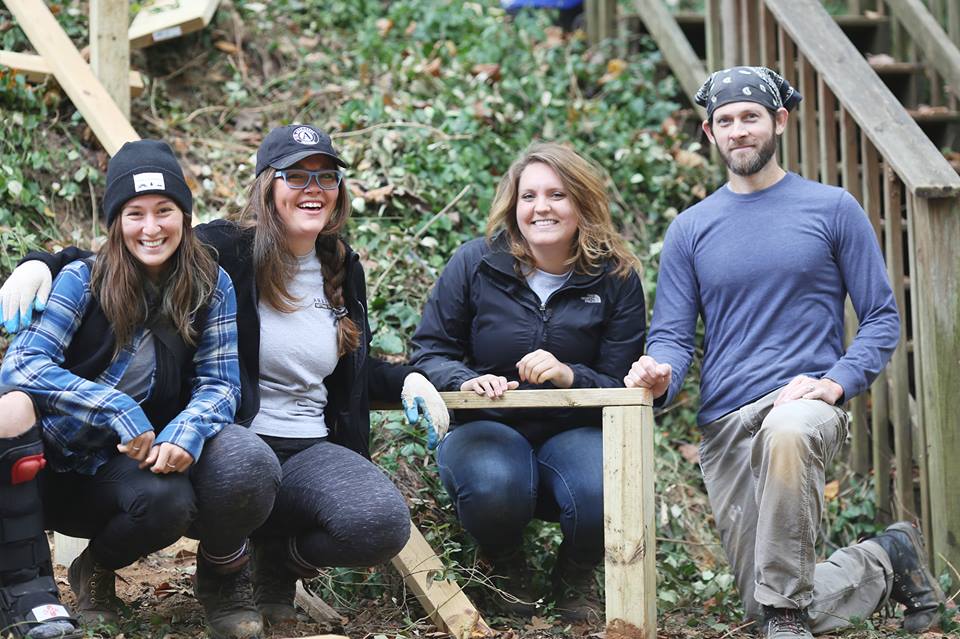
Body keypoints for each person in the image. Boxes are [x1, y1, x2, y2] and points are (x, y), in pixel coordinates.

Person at [1, 125, 449, 629]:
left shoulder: (336, 265)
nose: (312, 188)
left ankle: (277, 569)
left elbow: (337, 369)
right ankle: (223, 572)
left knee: (381, 522)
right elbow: (120, 252)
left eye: (325, 177)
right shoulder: (226, 249)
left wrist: (410, 378)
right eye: (296, 175)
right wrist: (39, 262)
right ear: (267, 186)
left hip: (298, 445)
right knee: (236, 465)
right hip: (215, 444)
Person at [624, 66, 944, 638]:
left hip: (804, 406)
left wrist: (836, 382)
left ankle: (786, 616)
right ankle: (884, 557)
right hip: (726, 423)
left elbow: (880, 316)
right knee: (765, 601)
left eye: (751, 117)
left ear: (779, 121)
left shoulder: (832, 208)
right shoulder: (690, 229)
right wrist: (660, 374)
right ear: (709, 133)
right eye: (726, 121)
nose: (739, 130)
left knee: (789, 431)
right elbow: (672, 335)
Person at [0, 139, 281, 639]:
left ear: (184, 215)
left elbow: (220, 383)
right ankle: (25, 591)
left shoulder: (210, 286)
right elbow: (20, 368)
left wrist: (186, 432)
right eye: (135, 213)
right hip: (43, 468)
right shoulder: (81, 280)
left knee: (171, 500)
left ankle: (97, 569)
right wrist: (116, 406)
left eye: (164, 210)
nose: (151, 228)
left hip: (116, 474)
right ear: (116, 221)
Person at [409, 142, 646, 621]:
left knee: (602, 487)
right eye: (529, 196)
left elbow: (625, 382)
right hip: (488, 422)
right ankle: (505, 564)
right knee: (494, 483)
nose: (542, 208)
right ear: (513, 205)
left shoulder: (616, 277)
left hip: (575, 427)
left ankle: (576, 573)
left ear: (581, 202)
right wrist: (466, 381)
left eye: (557, 195)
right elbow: (429, 350)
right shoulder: (475, 264)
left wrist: (568, 375)